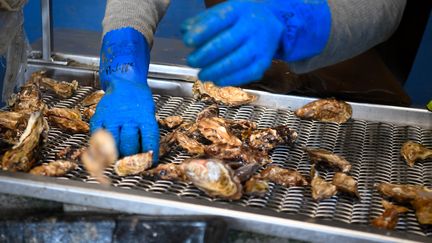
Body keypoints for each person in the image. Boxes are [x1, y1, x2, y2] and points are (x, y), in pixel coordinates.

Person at [91, 0, 407, 163]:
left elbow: (386, 6)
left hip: (356, 102)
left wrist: (293, 23)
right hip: (238, 95)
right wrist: (124, 64)